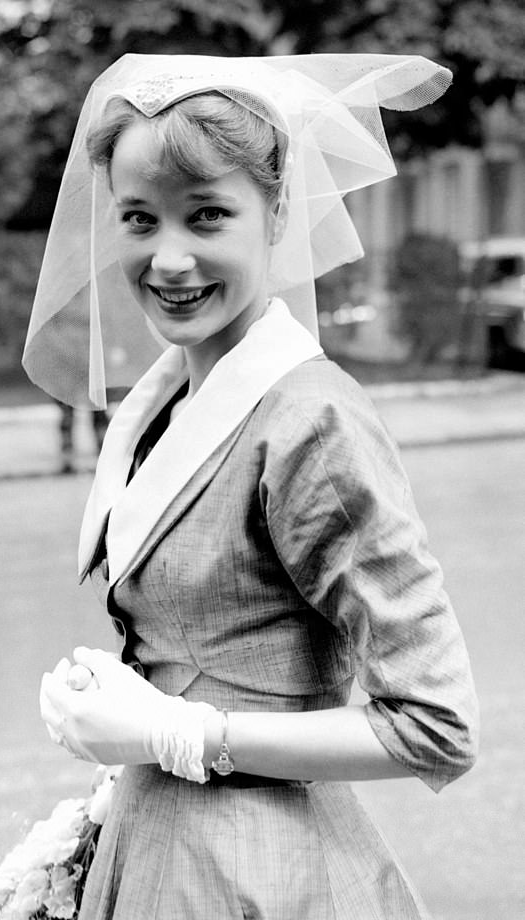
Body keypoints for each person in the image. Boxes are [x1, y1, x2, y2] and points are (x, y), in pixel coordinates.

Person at [26, 53, 478, 920]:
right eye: (137, 218)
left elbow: (437, 727)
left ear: (275, 214)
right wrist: (115, 698)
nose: (168, 258)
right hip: (159, 848)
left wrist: (177, 730)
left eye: (206, 216)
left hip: (258, 878)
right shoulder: (165, 403)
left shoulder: (309, 421)